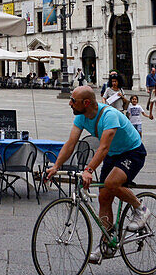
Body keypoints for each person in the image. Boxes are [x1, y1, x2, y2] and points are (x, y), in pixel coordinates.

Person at [46, 86, 150, 264]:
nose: (70, 103)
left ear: (86, 103)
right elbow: (71, 143)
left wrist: (89, 170)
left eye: (73, 100)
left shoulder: (109, 115)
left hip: (132, 152)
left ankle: (141, 209)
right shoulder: (81, 117)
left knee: (111, 183)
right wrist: (56, 166)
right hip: (112, 155)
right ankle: (106, 243)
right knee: (103, 198)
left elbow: (103, 147)